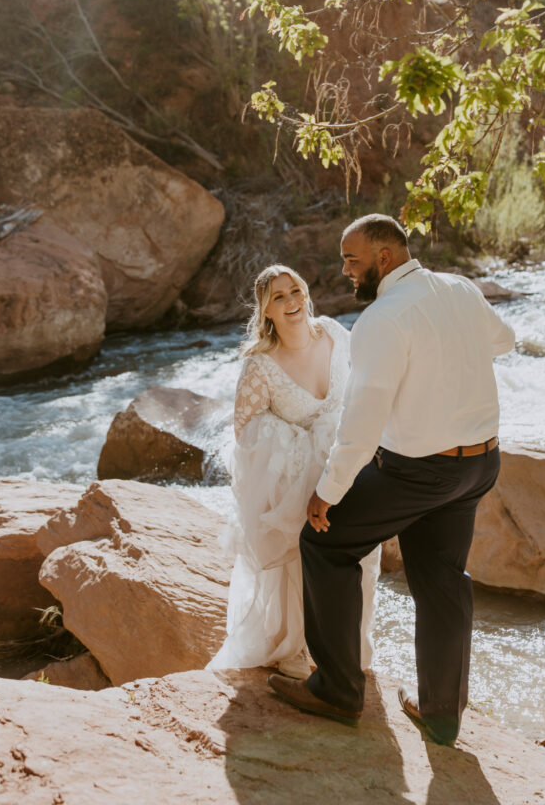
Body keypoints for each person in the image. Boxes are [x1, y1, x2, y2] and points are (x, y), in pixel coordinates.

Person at [267, 214, 516, 744]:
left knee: (324, 544)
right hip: (479, 465)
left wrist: (328, 492)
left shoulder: (381, 320)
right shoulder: (460, 288)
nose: (345, 272)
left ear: (384, 258)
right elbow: (505, 341)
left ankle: (338, 690)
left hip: (420, 472)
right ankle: (442, 715)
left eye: (351, 260)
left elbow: (363, 422)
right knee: (441, 578)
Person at [209, 264, 379, 680]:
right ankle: (299, 645)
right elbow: (245, 430)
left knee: (363, 558)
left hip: (349, 468)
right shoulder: (260, 366)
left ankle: (351, 646)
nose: (291, 302)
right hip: (296, 484)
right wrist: (302, 445)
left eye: (296, 291)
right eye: (279, 297)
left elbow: (365, 388)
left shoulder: (336, 335)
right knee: (300, 564)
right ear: (265, 310)